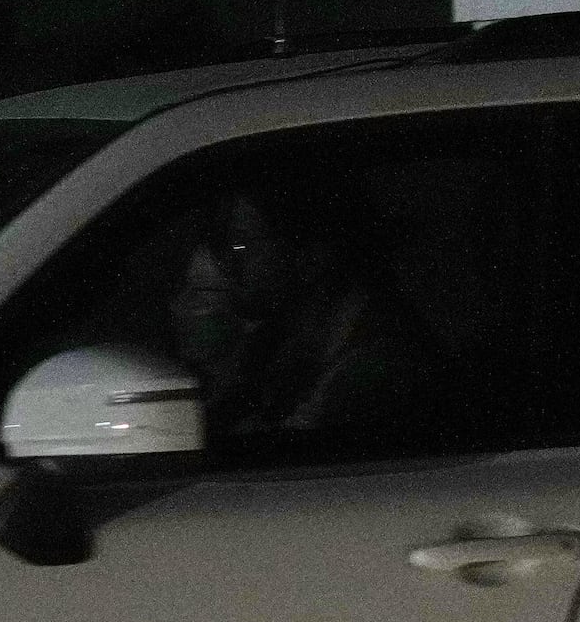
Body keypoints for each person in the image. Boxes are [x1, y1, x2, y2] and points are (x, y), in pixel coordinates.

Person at [165, 181, 435, 442]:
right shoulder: (280, 343)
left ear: (313, 256)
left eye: (245, 244)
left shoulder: (374, 366)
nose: (230, 263)